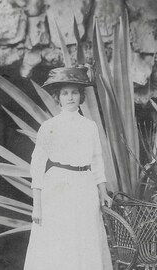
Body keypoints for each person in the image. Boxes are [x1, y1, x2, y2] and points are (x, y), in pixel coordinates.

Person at [23, 66, 114, 270]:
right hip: (58, 188)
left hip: (85, 187)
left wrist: (103, 193)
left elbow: (97, 161)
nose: (70, 97)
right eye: (65, 93)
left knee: (86, 240)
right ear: (58, 97)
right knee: (60, 243)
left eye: (74, 92)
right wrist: (37, 205)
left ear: (81, 96)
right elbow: (37, 164)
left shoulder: (90, 126)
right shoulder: (49, 127)